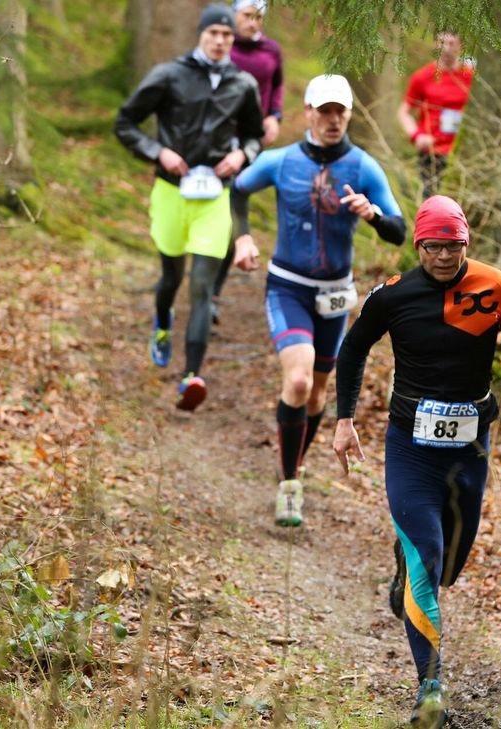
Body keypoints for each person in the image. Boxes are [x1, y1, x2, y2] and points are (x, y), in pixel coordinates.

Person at [332, 195, 501, 728]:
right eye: (433, 247)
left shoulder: (497, 287)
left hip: (470, 448)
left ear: (466, 243)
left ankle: (408, 567)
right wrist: (344, 418)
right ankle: (430, 690)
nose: (443, 257)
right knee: (427, 554)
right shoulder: (393, 297)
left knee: (447, 562)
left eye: (453, 246)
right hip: (411, 449)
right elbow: (352, 350)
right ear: (419, 245)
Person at [231, 74, 406, 527]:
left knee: (317, 397)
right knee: (299, 382)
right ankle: (290, 482)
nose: (332, 120)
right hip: (288, 285)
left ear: (348, 115)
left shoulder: (363, 167)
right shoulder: (281, 161)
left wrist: (374, 214)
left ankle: (295, 463)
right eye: (323, 111)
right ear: (307, 111)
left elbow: (399, 229)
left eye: (340, 112)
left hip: (334, 295)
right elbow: (239, 189)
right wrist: (243, 238)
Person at [115, 3, 263, 411]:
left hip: (215, 196)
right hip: (171, 192)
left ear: (235, 39)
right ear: (201, 35)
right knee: (171, 278)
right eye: (213, 33)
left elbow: (254, 135)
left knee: (201, 285)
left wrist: (242, 157)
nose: (219, 41)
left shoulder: (243, 84)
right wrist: (158, 152)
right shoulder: (168, 75)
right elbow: (125, 122)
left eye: (227, 35)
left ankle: (190, 376)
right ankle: (162, 322)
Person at [210, 0, 285, 326]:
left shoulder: (271, 50)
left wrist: (275, 117)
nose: (253, 23)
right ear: (234, 15)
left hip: (250, 146)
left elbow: (277, 86)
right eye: (247, 16)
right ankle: (199, 280)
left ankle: (212, 292)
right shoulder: (221, 46)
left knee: (232, 214)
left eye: (259, 17)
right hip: (217, 142)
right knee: (212, 212)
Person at [397, 32, 475, 199]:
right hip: (432, 151)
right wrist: (417, 136)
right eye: (441, 42)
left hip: (464, 151)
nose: (445, 49)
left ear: (461, 46)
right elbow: (404, 112)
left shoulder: (471, 77)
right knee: (433, 201)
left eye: (451, 44)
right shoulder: (422, 77)